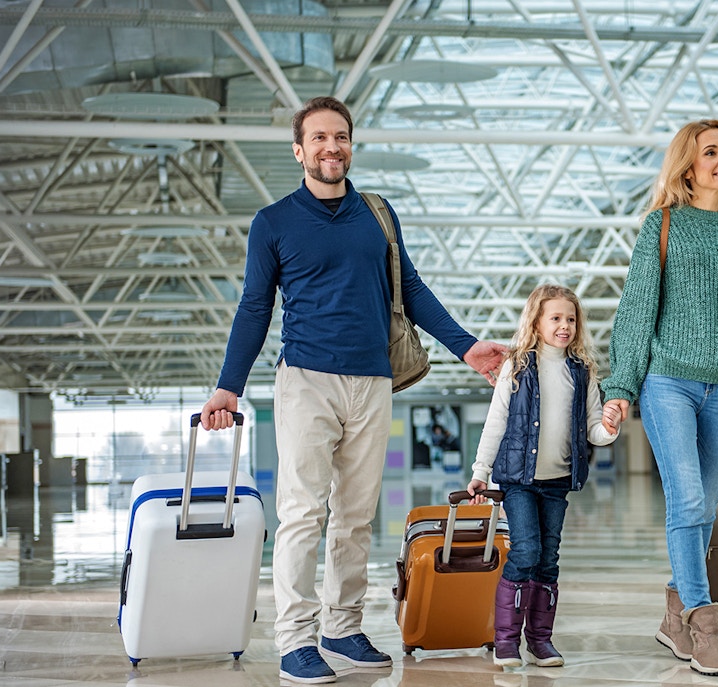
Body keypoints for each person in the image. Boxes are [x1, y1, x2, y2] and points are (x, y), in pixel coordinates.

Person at [198, 96, 506, 685]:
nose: (330, 147)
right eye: (318, 138)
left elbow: (409, 288)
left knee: (356, 517)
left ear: (350, 145)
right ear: (299, 150)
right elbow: (254, 308)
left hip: (374, 380)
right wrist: (227, 387)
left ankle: (342, 627)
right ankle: (295, 640)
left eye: (339, 137)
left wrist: (464, 345)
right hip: (306, 380)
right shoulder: (273, 222)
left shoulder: (378, 214)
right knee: (301, 514)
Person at [601, 120, 718, 678]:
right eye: (712, 152)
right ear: (688, 164)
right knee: (689, 503)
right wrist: (621, 387)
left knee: (703, 512)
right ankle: (702, 624)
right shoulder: (662, 226)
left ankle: (674, 615)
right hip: (668, 382)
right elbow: (636, 311)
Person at [466, 283, 621, 668]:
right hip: (518, 480)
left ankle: (540, 641)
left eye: (570, 319)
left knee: (548, 560)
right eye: (555, 318)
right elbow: (496, 421)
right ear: (536, 322)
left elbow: (593, 429)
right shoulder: (516, 366)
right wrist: (480, 471)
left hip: (557, 482)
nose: (564, 325)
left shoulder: (581, 371)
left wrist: (610, 428)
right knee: (526, 551)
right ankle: (505, 642)